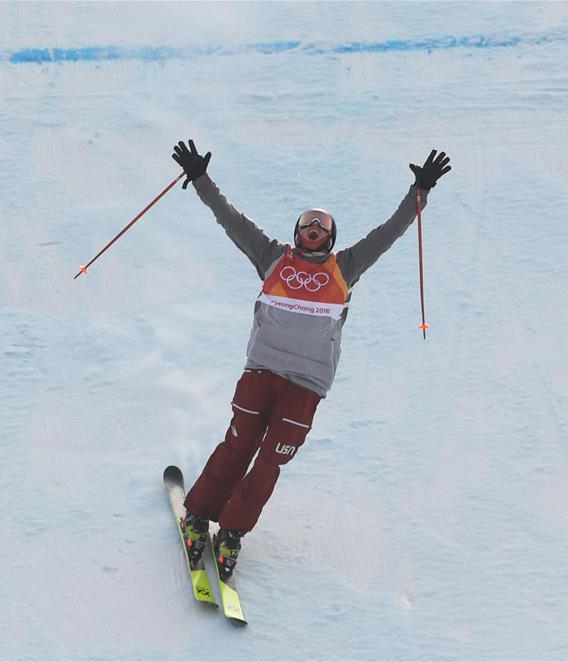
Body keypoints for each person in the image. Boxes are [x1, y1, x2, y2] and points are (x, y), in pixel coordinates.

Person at [171, 139, 451, 580]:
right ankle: (198, 515)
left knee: (270, 461)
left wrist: (419, 193)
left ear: (332, 238)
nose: (313, 231)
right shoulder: (272, 258)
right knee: (239, 445)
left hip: (306, 386)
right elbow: (230, 219)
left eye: (321, 227)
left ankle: (232, 532)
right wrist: (201, 180)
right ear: (296, 231)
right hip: (262, 372)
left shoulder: (346, 267)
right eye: (307, 225)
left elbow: (391, 230)